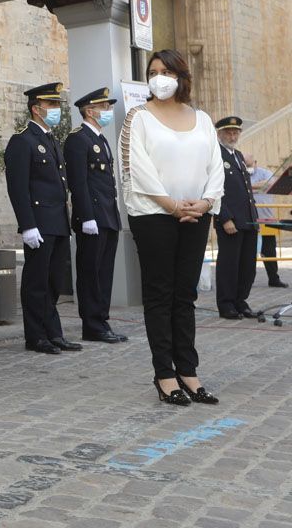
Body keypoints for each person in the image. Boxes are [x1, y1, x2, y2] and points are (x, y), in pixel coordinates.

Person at [119, 49, 224, 405]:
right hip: (154, 215)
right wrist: (172, 204)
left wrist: (206, 202)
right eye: (153, 71)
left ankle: (189, 372)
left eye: (166, 71)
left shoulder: (203, 119)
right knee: (160, 295)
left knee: (186, 295)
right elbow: (137, 167)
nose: (159, 77)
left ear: (181, 76)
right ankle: (164, 374)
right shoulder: (139, 117)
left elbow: (215, 166)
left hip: (197, 214)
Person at [4, 83, 81, 355]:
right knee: (36, 282)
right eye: (51, 105)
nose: (56, 110)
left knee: (54, 281)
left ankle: (53, 332)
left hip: (57, 220)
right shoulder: (22, 141)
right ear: (36, 109)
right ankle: (35, 336)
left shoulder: (49, 139)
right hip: (39, 222)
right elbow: (18, 187)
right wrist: (27, 225)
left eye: (56, 105)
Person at [63, 88, 127, 344]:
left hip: (107, 215)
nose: (108, 112)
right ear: (90, 111)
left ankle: (102, 320)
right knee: (90, 273)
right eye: (104, 107)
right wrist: (86, 216)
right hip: (92, 218)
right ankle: (91, 324)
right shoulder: (78, 139)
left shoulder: (100, 138)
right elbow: (78, 182)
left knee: (105, 272)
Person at [214, 117, 259, 319]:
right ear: (220, 134)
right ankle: (226, 304)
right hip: (231, 220)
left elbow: (246, 190)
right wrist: (225, 218)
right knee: (229, 264)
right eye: (228, 132)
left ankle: (241, 300)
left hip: (248, 219)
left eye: (235, 132)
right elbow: (215, 190)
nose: (232, 136)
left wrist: (253, 216)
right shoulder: (216, 155)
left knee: (247, 265)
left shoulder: (239, 155)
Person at [246, 154, 288, 288]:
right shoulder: (241, 174)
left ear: (256, 162)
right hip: (249, 220)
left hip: (266, 218)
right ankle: (247, 281)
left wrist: (250, 186)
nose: (248, 168)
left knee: (270, 251)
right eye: (245, 165)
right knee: (249, 251)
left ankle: (274, 278)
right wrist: (258, 186)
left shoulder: (265, 172)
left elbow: (271, 182)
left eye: (250, 164)